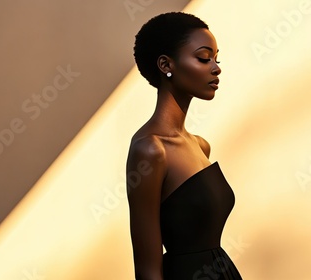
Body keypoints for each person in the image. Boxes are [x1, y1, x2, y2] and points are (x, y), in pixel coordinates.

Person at [126, 12, 242, 280]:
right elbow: (146, 269)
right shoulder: (150, 150)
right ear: (167, 64)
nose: (216, 67)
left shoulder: (200, 146)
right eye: (203, 58)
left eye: (216, 58)